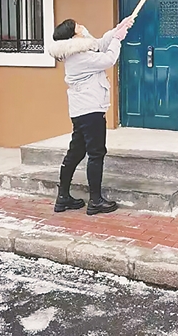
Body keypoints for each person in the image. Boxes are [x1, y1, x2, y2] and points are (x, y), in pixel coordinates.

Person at [48, 17, 132, 215]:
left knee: (76, 152)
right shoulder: (80, 57)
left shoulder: (78, 50)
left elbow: (100, 44)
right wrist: (117, 40)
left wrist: (117, 29)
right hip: (90, 110)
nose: (82, 26)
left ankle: (63, 198)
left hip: (82, 111)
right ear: (73, 35)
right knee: (96, 153)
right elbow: (108, 59)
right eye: (77, 26)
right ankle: (95, 201)